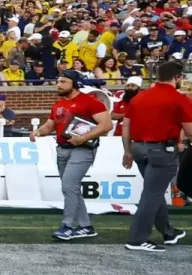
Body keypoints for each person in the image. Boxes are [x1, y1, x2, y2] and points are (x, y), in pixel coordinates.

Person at [29, 71, 112, 240]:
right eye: (57, 81)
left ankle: (67, 226)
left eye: (63, 81)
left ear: (73, 83)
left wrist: (83, 138)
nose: (58, 84)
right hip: (63, 149)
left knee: (68, 186)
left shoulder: (91, 102)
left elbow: (106, 125)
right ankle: (86, 226)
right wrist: (38, 132)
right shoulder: (58, 103)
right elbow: (50, 125)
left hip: (83, 149)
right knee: (71, 188)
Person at [122, 60, 192, 252]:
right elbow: (190, 130)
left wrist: (127, 150)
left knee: (154, 190)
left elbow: (126, 125)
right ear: (177, 77)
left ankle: (168, 232)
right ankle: (137, 239)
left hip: (138, 148)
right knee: (152, 194)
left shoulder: (139, 97)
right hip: (162, 150)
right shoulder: (179, 98)